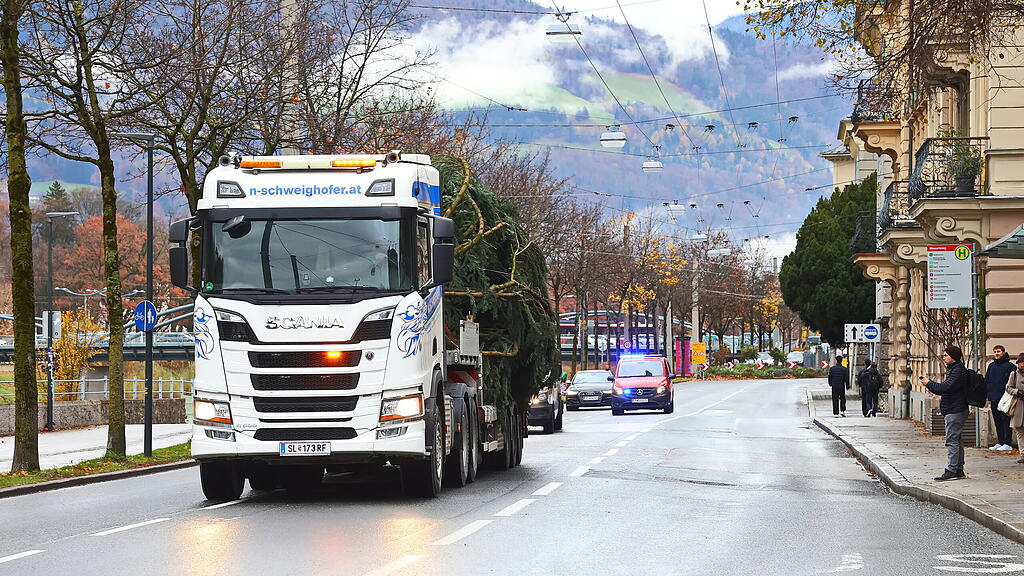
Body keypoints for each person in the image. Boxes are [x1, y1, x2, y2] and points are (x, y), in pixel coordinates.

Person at [921, 345, 969, 481]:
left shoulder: (958, 371)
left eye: (946, 355)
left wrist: (928, 383)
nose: (943, 357)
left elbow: (945, 388)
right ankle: (958, 469)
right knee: (957, 440)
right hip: (955, 408)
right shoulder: (954, 370)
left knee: (952, 440)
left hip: (955, 409)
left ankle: (952, 470)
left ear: (953, 357)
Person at [985, 345, 1015, 451]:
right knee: (997, 421)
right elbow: (987, 380)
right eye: (995, 352)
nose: (996, 353)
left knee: (1006, 421)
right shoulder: (991, 366)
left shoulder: (1010, 366)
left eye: (998, 351)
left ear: (1003, 352)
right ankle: (1000, 442)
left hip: (1005, 399)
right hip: (993, 398)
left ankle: (1007, 442)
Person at [1005, 353, 1024, 463]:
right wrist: (1017, 392)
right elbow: (1008, 387)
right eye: (1021, 362)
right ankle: (1022, 453)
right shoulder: (1014, 374)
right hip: (1018, 405)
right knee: (1019, 431)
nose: (1023, 364)